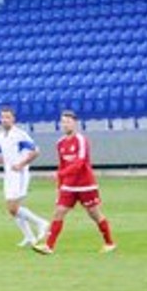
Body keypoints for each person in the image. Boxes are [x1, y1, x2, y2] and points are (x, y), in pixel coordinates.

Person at [34, 109, 117, 255]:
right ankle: (49, 246)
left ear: (75, 123)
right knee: (58, 212)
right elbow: (62, 164)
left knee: (94, 213)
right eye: (63, 122)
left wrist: (61, 174)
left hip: (86, 185)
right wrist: (60, 185)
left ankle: (109, 243)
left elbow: (80, 162)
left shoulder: (81, 140)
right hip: (68, 186)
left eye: (68, 122)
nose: (65, 125)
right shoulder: (60, 143)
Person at [0, 105, 49, 247]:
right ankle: (30, 238)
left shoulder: (20, 134)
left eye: (8, 117)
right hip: (8, 174)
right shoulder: (0, 136)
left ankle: (41, 223)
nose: (5, 120)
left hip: (19, 174)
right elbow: (4, 155)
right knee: (13, 209)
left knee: (13, 208)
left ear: (13, 119)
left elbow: (36, 151)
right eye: (3, 117)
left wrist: (21, 164)